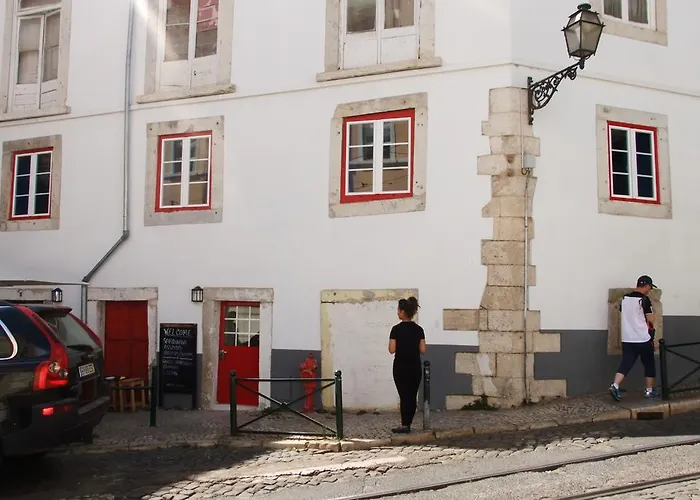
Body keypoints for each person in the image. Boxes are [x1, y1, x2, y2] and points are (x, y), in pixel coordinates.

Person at [609, 275, 660, 401]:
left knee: (626, 363)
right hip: (643, 338)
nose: (649, 290)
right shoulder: (644, 300)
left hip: (627, 338)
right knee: (649, 364)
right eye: (650, 288)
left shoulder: (625, 299)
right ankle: (649, 391)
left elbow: (625, 313)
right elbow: (650, 319)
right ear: (646, 286)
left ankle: (615, 385)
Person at [388, 296, 427, 434]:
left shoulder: (396, 329)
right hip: (415, 366)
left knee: (404, 395)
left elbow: (391, 349)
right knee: (412, 395)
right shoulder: (419, 329)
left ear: (403, 311)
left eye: (398, 310)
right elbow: (423, 349)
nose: (397, 312)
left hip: (400, 366)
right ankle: (408, 422)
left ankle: (404, 424)